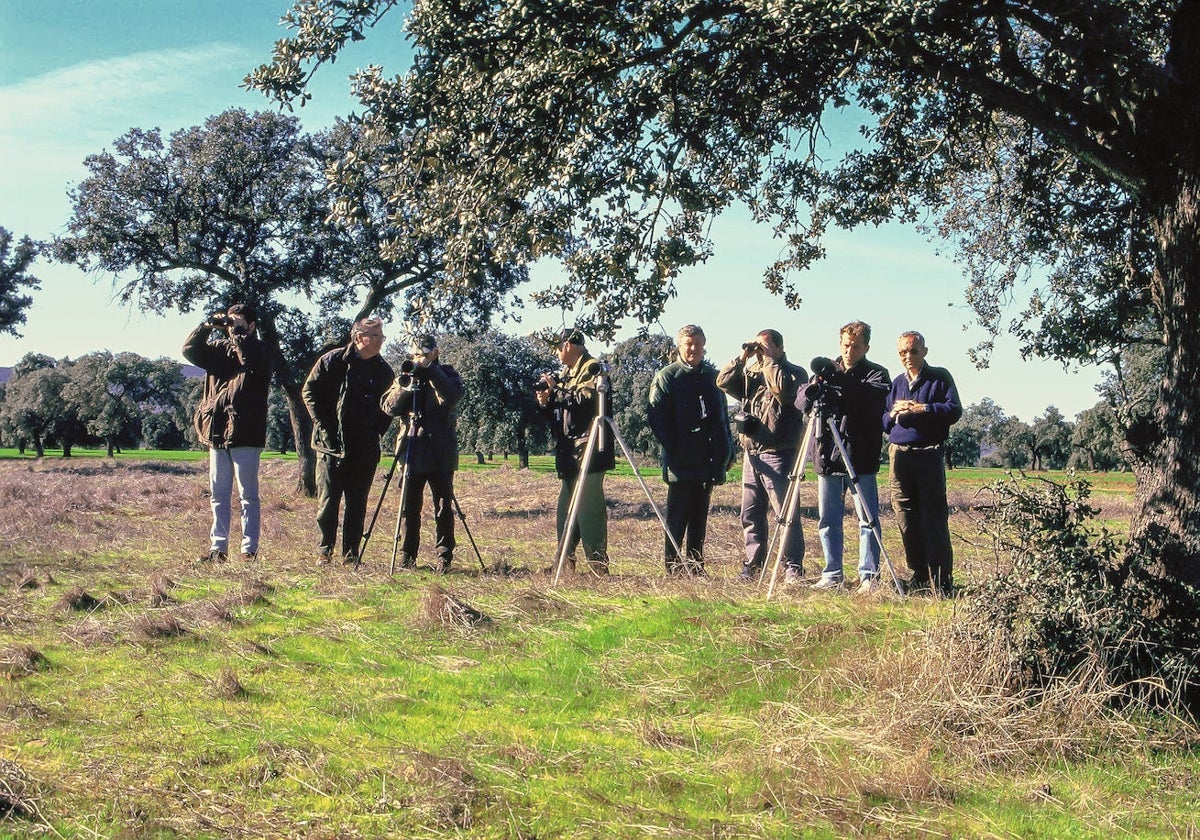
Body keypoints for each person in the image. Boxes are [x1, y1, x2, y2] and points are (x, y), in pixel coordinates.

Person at [795, 321, 890, 594]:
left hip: (859, 457)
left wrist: (840, 382)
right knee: (828, 520)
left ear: (866, 347)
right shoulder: (826, 371)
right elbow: (802, 400)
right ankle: (832, 573)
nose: (849, 350)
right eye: (846, 345)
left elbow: (868, 401)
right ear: (840, 343)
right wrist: (816, 387)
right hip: (827, 455)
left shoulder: (876, 374)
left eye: (856, 346)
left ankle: (869, 575)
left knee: (867, 519)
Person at [182, 303, 272, 563]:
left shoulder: (262, 350)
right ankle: (217, 548)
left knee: (248, 496)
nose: (231, 326)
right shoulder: (219, 350)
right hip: (217, 431)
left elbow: (252, 362)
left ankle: (249, 550)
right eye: (230, 322)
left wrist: (241, 336)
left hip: (246, 431)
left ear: (252, 326)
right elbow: (189, 351)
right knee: (218, 495)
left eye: (239, 322)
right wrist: (206, 326)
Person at [302, 317, 396, 566]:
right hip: (330, 446)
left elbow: (389, 408)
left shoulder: (384, 371)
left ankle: (350, 555)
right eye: (374, 336)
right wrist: (323, 424)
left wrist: (375, 432)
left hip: (364, 448)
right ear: (358, 338)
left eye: (381, 336)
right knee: (328, 501)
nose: (379, 341)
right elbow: (308, 392)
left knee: (357, 502)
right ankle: (324, 551)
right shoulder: (332, 361)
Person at [716, 329, 808, 582]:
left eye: (764, 347)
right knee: (751, 513)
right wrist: (742, 357)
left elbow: (783, 392)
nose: (760, 351)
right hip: (752, 453)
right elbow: (722, 382)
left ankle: (792, 566)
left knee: (785, 513)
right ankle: (753, 564)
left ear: (779, 348)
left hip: (779, 454)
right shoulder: (751, 374)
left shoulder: (794, 373)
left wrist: (769, 362)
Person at [882, 330, 963, 596]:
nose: (907, 356)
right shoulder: (896, 383)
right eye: (902, 352)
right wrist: (895, 412)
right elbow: (883, 422)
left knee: (933, 517)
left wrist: (923, 409)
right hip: (899, 455)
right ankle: (918, 576)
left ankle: (941, 580)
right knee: (905, 516)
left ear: (924, 352)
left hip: (928, 453)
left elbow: (954, 410)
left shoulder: (939, 377)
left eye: (913, 351)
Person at [648, 325, 732, 576]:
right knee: (677, 517)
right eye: (688, 344)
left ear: (704, 345)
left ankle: (696, 567)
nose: (693, 348)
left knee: (699, 518)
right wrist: (675, 448)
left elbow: (722, 419)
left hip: (708, 459)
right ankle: (672, 568)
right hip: (680, 462)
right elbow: (657, 419)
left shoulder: (713, 377)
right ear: (679, 346)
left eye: (697, 343)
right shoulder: (667, 377)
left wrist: (726, 452)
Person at [380, 334, 464, 573]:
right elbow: (389, 407)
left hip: (440, 451)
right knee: (408, 508)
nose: (419, 359)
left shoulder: (447, 374)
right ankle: (407, 557)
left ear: (435, 353)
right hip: (411, 451)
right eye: (416, 355)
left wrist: (431, 373)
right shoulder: (405, 376)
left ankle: (444, 557)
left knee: (443, 507)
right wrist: (407, 385)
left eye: (425, 355)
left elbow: (451, 397)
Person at [536, 328, 614, 575]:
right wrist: (545, 401)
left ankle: (598, 567)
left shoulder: (592, 368)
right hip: (570, 451)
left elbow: (586, 400)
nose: (557, 352)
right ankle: (564, 564)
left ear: (568, 345)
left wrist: (556, 390)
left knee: (589, 510)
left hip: (590, 449)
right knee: (566, 511)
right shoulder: (567, 373)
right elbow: (561, 413)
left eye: (558, 346)